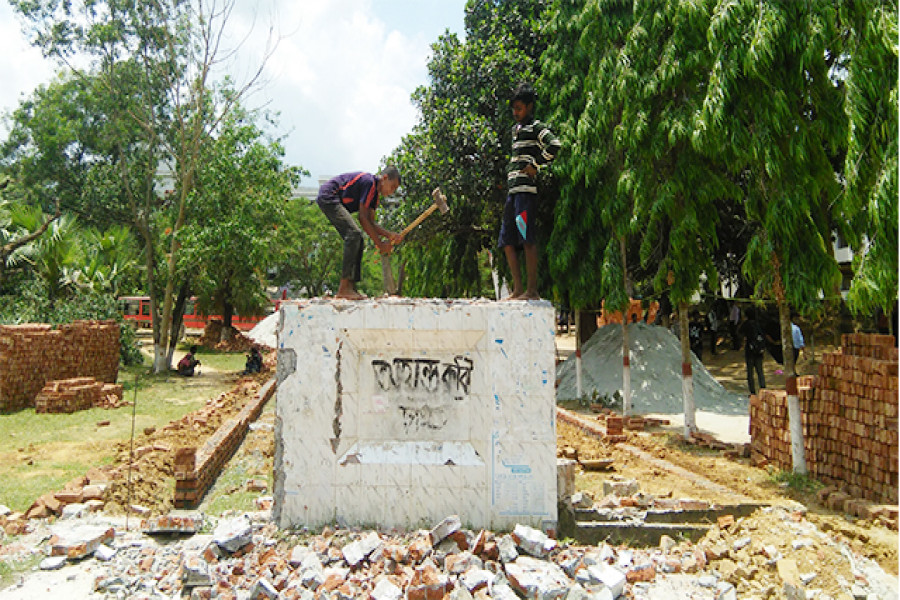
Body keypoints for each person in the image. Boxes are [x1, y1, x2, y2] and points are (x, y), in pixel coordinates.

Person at [499, 83, 562, 300]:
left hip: (526, 192)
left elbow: (555, 145)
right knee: (506, 240)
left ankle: (532, 290)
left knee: (526, 238)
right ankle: (518, 289)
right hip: (512, 192)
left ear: (529, 107)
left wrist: (536, 164)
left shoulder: (536, 127)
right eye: (514, 109)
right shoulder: (515, 131)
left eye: (520, 108)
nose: (516, 113)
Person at [317, 168, 403, 300]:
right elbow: (363, 219)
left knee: (359, 239)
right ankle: (344, 288)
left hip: (335, 199)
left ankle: (350, 287)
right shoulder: (369, 183)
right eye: (392, 187)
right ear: (384, 178)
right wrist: (380, 244)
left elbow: (371, 222)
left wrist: (389, 235)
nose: (392, 192)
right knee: (353, 234)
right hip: (329, 195)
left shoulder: (375, 197)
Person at [740, 308, 766, 394]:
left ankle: (752, 392)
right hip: (759, 351)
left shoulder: (746, 324)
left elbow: (739, 332)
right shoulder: (759, 324)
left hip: (749, 351)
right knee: (760, 371)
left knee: (750, 373)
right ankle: (763, 389)